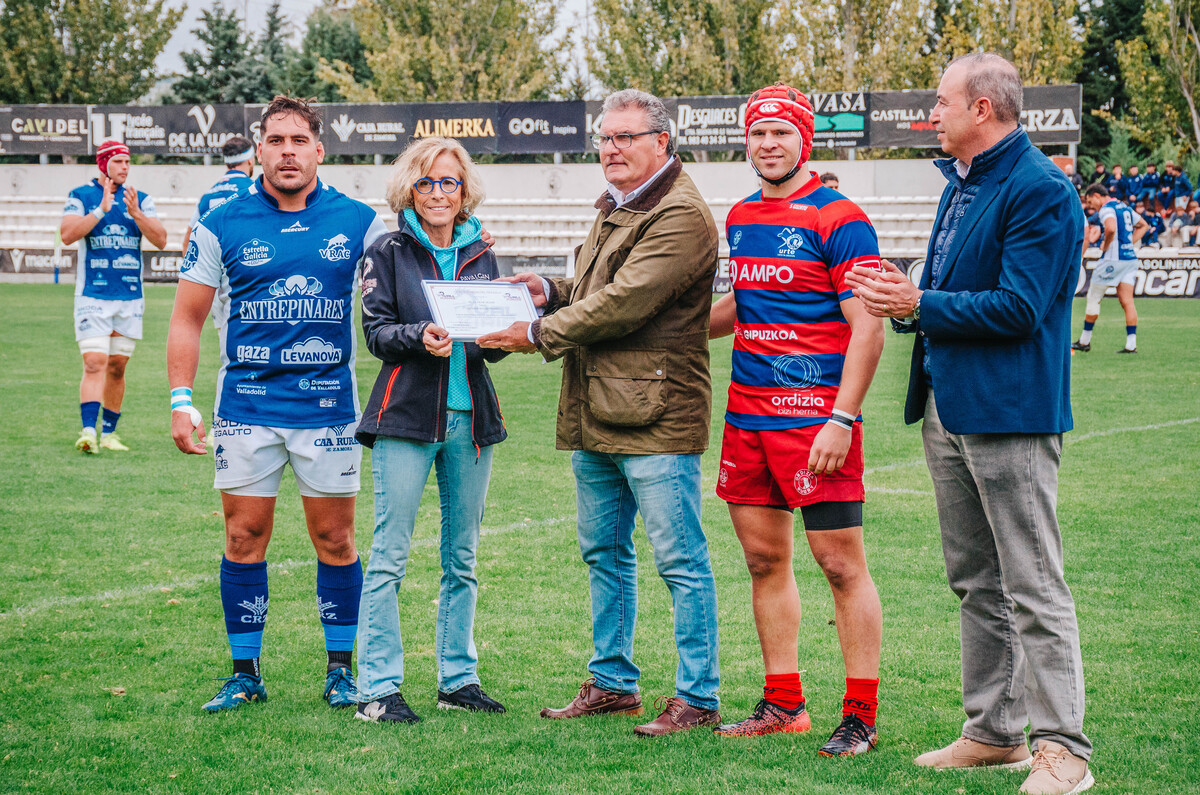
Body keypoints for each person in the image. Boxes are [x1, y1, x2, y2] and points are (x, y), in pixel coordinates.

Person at [845, 53, 1094, 795]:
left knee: (1033, 584)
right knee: (977, 580)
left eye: (942, 101)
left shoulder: (1041, 189)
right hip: (951, 407)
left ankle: (1065, 751)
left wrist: (917, 304)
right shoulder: (964, 183)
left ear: (982, 108)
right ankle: (995, 730)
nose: (934, 112)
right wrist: (907, 294)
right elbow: (953, 292)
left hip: (1010, 414)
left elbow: (1020, 307)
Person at [477, 88, 722, 737]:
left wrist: (535, 331)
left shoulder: (681, 213)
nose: (610, 149)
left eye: (625, 138)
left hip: (658, 414)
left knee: (680, 559)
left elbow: (625, 301)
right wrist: (547, 289)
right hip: (600, 407)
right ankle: (613, 681)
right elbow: (595, 288)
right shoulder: (618, 203)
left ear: (660, 143)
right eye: (605, 138)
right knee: (604, 552)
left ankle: (699, 694)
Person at [167, 96, 388, 713]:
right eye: (276, 140)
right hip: (245, 407)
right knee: (243, 536)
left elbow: (410, 281)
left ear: (321, 150)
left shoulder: (360, 220)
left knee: (336, 539)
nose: (287, 151)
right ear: (258, 150)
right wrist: (182, 401)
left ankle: (342, 671)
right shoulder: (222, 221)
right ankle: (245, 674)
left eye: (299, 140)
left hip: (327, 409)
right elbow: (186, 319)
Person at [705, 83, 885, 757]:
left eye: (781, 132)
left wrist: (842, 417)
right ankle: (784, 702)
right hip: (747, 416)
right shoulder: (742, 213)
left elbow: (867, 327)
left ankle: (860, 716)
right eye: (758, 133)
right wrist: (668, 327)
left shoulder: (841, 217)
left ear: (805, 139)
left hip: (815, 421)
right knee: (762, 558)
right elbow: (742, 308)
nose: (769, 144)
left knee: (840, 563)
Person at [351, 137, 508, 724]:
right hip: (407, 417)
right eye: (427, 183)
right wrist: (419, 336)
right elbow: (377, 334)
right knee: (390, 555)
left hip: (471, 421)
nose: (438, 193)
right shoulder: (388, 249)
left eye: (448, 183)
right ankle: (378, 688)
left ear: (463, 189)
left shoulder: (480, 250)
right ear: (409, 189)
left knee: (462, 556)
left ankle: (457, 679)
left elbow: (487, 343)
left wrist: (504, 335)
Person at [60, 140, 167, 454]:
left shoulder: (140, 199)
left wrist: (136, 215)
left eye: (128, 162)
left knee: (118, 366)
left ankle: (109, 433)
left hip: (129, 297)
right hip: (93, 294)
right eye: (118, 161)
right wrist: (100, 211)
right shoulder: (81, 196)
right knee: (95, 362)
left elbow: (161, 240)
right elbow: (67, 235)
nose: (125, 167)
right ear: (103, 164)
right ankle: (88, 432)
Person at [181, 135, 257, 329]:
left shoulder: (208, 194)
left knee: (226, 346)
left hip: (217, 284)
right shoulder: (254, 191)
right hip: (247, 280)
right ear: (250, 160)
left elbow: (188, 243)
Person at [1073, 185, 1149, 355]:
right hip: (1129, 259)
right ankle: (1131, 345)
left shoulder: (1107, 209)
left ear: (1098, 195)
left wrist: (1105, 245)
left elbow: (1111, 228)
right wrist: (1128, 242)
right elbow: (1144, 225)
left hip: (1112, 260)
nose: (1091, 205)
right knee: (1127, 301)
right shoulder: (1124, 207)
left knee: (1093, 296)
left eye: (1090, 201)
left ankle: (1084, 341)